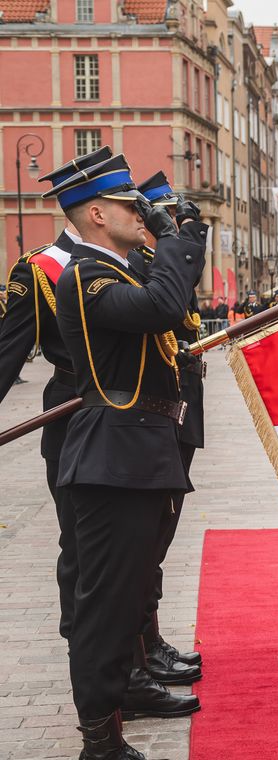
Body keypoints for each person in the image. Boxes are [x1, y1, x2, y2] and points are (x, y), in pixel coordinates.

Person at [46, 153, 208, 758]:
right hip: (114, 456)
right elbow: (163, 307)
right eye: (128, 207)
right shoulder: (86, 276)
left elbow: (172, 306)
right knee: (106, 607)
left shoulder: (121, 268)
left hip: (140, 453)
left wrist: (173, 240)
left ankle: (114, 719)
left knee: (128, 599)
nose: (141, 214)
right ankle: (100, 743)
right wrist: (175, 238)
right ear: (95, 214)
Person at [0, 148, 113, 652]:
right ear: (93, 208)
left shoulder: (129, 258)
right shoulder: (40, 268)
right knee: (83, 547)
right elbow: (8, 355)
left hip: (134, 419)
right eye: (123, 201)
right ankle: (87, 655)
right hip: (73, 413)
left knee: (132, 548)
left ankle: (136, 652)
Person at [132, 171, 206, 691]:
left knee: (160, 534)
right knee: (144, 543)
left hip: (178, 409)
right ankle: (140, 652)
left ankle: (149, 642)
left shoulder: (160, 264)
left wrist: (187, 238)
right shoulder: (138, 268)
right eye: (171, 218)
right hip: (151, 413)